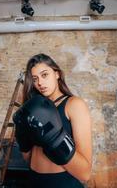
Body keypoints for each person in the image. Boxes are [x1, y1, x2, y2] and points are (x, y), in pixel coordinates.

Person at [13, 53, 92, 188]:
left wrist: (54, 139)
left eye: (44, 75)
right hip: (33, 180)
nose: (40, 83)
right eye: (35, 78)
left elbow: (85, 173)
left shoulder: (74, 104)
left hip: (61, 183)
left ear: (57, 74)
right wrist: (22, 138)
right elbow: (28, 158)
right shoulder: (35, 108)